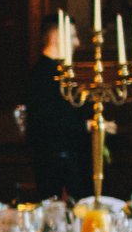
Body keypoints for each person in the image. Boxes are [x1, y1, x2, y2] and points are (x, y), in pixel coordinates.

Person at [24, 20, 90, 200]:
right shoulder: (43, 74)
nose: (77, 42)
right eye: (72, 36)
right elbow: (45, 121)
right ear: (56, 37)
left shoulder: (61, 73)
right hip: (55, 164)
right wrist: (86, 125)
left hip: (66, 161)